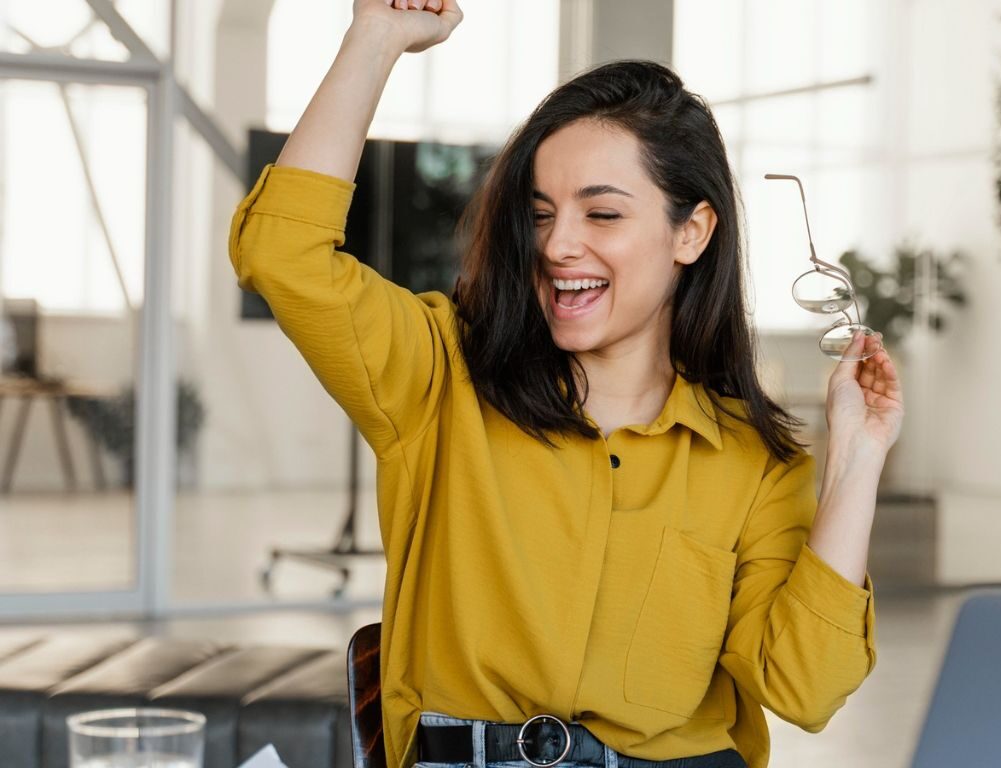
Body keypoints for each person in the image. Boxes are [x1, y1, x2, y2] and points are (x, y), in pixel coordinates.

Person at [228, 1, 904, 766]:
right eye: (542, 214)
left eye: (602, 214)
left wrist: (857, 459)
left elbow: (805, 688)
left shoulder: (754, 464)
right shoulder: (440, 377)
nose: (557, 245)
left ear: (691, 232)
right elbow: (282, 256)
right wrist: (376, 38)